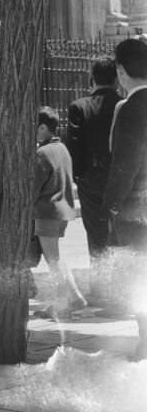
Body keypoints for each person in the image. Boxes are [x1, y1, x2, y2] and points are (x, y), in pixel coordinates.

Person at [101, 36, 147, 361]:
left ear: (120, 71)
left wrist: (111, 205)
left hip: (138, 213)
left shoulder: (132, 109)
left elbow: (125, 165)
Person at [66, 59, 121, 284]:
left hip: (91, 178)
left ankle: (101, 284)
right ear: (116, 79)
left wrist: (78, 175)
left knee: (95, 230)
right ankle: (121, 282)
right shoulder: (124, 104)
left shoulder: (79, 107)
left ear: (92, 78)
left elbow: (74, 145)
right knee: (121, 229)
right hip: (120, 175)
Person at [32, 106, 87, 318]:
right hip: (62, 209)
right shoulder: (62, 148)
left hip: (47, 211)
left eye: (35, 127)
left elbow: (34, 186)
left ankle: (65, 303)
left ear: (43, 127)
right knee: (56, 257)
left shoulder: (41, 153)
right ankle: (72, 297)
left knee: (53, 260)